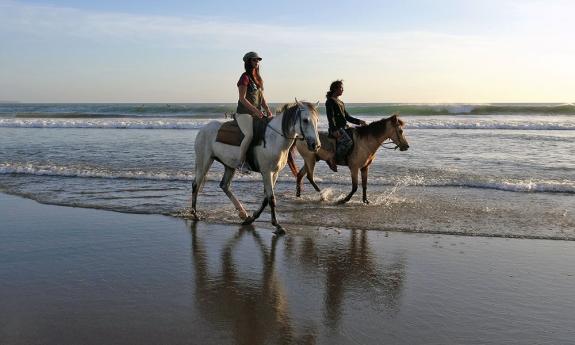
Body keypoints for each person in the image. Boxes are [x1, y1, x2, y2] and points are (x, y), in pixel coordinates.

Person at [235, 51, 273, 174]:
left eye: (257, 60)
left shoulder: (258, 79)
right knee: (249, 135)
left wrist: (267, 109)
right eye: (254, 60)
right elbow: (242, 98)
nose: (256, 62)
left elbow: (261, 98)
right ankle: (241, 163)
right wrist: (256, 110)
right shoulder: (244, 77)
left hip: (256, 113)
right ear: (248, 62)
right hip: (243, 114)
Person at [324, 80, 367, 172]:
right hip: (337, 129)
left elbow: (347, 117)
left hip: (345, 127)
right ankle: (334, 159)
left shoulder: (340, 102)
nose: (342, 90)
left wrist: (359, 121)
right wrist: (334, 130)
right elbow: (330, 118)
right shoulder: (330, 101)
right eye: (341, 88)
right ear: (335, 89)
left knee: (358, 138)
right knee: (348, 142)